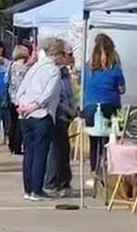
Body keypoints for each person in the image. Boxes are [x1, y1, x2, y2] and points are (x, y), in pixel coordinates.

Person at [15, 37, 70, 201]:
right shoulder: (53, 70)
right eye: (63, 54)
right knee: (40, 153)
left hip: (25, 114)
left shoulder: (34, 67)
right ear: (56, 54)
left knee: (29, 153)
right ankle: (37, 189)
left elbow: (21, 90)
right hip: (42, 114)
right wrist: (34, 106)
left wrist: (22, 105)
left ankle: (28, 188)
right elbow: (49, 94)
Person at [82, 34, 126, 175]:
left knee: (94, 143)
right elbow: (122, 89)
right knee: (110, 142)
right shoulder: (115, 68)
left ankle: (95, 173)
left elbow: (82, 85)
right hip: (110, 106)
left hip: (90, 107)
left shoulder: (87, 68)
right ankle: (108, 172)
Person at [44, 62, 76, 196]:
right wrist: (70, 111)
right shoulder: (54, 73)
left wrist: (74, 109)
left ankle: (64, 181)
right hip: (57, 115)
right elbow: (58, 98)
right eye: (66, 54)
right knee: (56, 150)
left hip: (65, 116)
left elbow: (69, 96)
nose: (69, 57)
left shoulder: (65, 74)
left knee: (64, 149)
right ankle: (51, 183)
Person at [5, 44, 30, 155]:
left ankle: (12, 144)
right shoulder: (23, 68)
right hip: (21, 99)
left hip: (11, 96)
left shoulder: (11, 66)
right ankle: (17, 146)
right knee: (19, 124)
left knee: (13, 123)